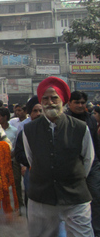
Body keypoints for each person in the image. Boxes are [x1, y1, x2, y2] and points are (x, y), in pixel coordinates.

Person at [22, 77, 94, 236]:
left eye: (54, 97)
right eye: (45, 99)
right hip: (41, 195)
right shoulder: (29, 129)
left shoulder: (80, 128)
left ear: (63, 100)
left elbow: (88, 159)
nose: (50, 102)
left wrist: (71, 178)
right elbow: (31, 159)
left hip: (75, 195)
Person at [65, 91, 100, 236]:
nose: (80, 105)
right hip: (72, 166)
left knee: (96, 197)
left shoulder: (91, 119)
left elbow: (95, 143)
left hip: (93, 164)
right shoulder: (65, 120)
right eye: (77, 102)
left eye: (82, 102)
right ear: (69, 103)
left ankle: (96, 230)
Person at [0, 107, 23, 211]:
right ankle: (3, 207)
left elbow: (17, 146)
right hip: (0, 161)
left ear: (5, 117)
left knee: (16, 182)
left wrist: (11, 154)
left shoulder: (14, 131)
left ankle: (19, 205)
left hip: (13, 159)